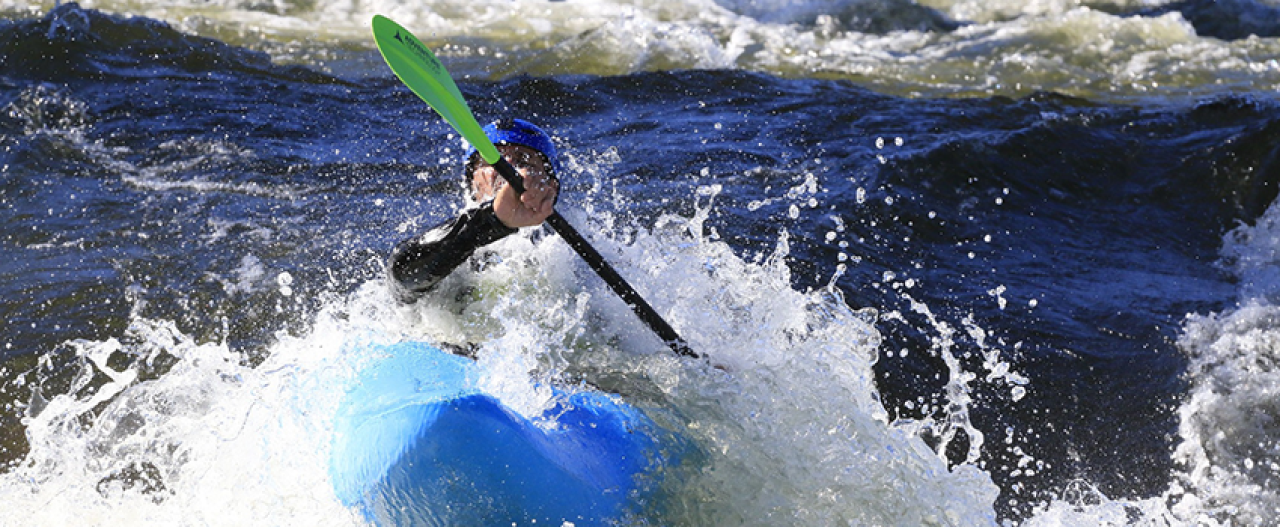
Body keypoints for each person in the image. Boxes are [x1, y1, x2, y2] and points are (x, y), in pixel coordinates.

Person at [388, 118, 561, 303]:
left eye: (524, 161)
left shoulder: (564, 252)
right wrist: (493, 220)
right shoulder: (449, 238)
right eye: (493, 160)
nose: (509, 168)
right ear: (472, 183)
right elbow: (402, 279)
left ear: (552, 186)